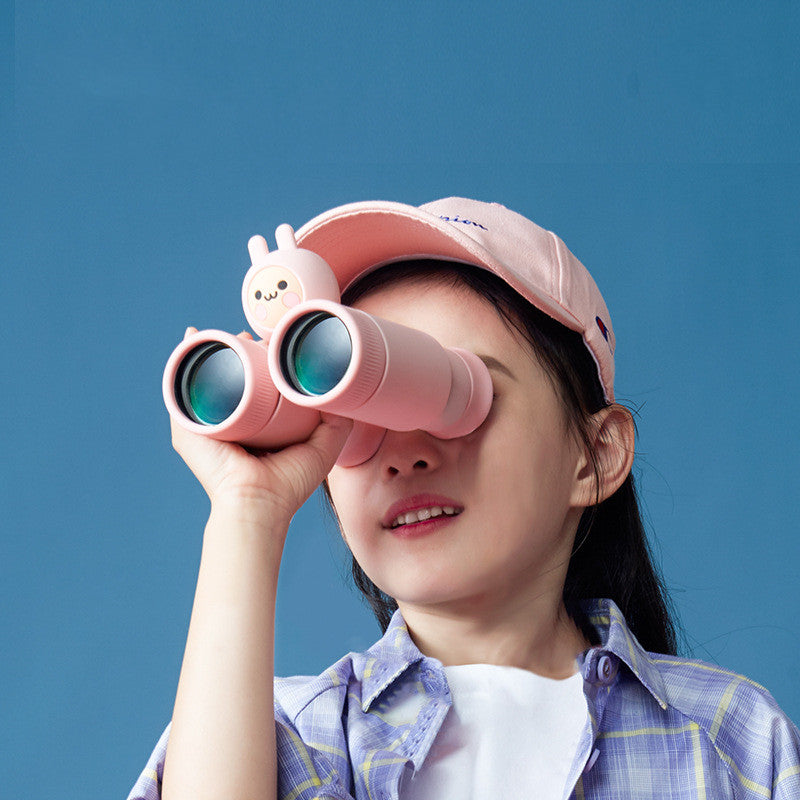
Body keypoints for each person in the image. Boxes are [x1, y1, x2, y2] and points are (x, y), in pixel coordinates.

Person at [128, 198, 800, 800]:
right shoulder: (291, 743)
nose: (406, 451)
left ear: (595, 455)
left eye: (456, 395)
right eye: (354, 412)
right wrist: (247, 510)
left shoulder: (735, 743)